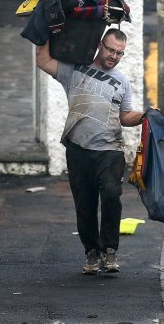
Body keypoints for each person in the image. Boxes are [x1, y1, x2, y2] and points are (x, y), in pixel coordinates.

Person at [34, 29, 144, 275]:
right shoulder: (75, 71)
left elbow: (125, 116)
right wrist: (44, 28)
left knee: (111, 195)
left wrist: (146, 116)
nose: (114, 56)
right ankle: (92, 252)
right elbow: (42, 61)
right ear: (99, 45)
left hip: (110, 150)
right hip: (78, 149)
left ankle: (110, 250)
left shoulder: (122, 81)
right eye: (111, 50)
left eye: (120, 53)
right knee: (85, 203)